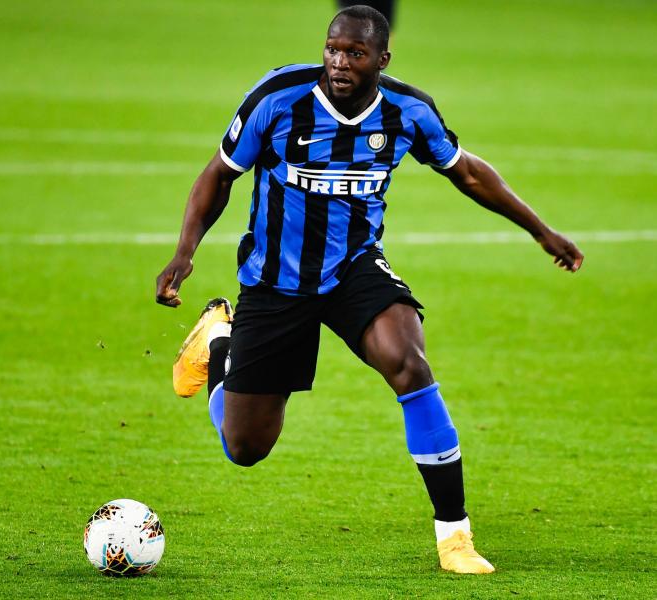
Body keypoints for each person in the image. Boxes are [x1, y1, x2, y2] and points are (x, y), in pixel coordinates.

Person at [155, 4, 583, 574]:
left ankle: (455, 538)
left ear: (382, 59)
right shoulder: (278, 99)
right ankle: (218, 345)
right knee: (246, 448)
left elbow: (467, 172)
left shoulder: (408, 111)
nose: (339, 62)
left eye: (354, 53)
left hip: (354, 267)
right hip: (276, 280)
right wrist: (185, 252)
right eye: (332, 49)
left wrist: (541, 230)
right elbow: (219, 174)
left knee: (409, 363)